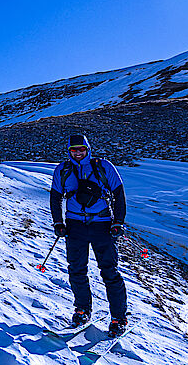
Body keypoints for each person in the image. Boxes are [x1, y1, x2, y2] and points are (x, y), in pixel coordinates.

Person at [49, 134, 129, 337]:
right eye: (74, 150)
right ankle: (82, 310)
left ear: (88, 149)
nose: (78, 153)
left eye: (81, 149)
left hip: (102, 225)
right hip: (75, 225)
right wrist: (58, 222)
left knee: (109, 271)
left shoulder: (104, 167)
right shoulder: (63, 169)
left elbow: (119, 195)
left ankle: (119, 318)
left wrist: (118, 222)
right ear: (69, 151)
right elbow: (55, 197)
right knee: (76, 270)